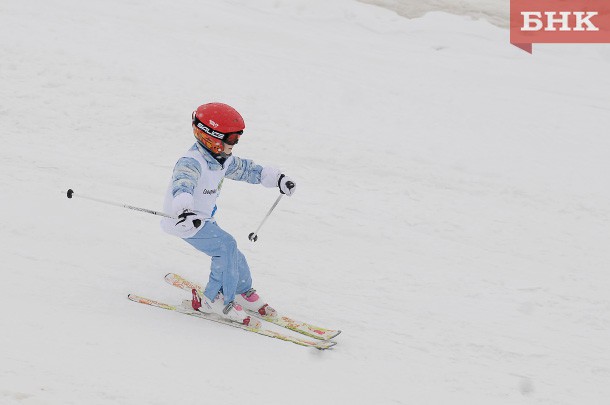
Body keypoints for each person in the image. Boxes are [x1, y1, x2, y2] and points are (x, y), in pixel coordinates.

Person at [160, 102, 296, 328]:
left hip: (204, 219)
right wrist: (184, 209)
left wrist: (277, 179)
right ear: (211, 137)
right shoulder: (191, 162)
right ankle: (213, 300)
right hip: (184, 220)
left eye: (237, 139)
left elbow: (247, 170)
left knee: (233, 254)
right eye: (231, 139)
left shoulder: (222, 160)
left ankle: (241, 291)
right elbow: (183, 184)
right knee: (226, 247)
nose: (235, 144)